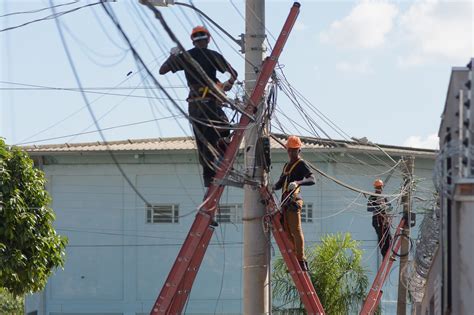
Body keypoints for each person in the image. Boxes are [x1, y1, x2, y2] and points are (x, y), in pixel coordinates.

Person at [159, 26, 238, 188]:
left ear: (192, 40)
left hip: (194, 105)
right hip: (210, 103)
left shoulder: (186, 57)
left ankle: (209, 177)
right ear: (208, 39)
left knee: (202, 141)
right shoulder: (213, 56)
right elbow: (234, 73)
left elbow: (162, 70)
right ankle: (223, 162)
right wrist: (227, 84)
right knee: (223, 130)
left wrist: (172, 56)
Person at [273, 135, 315, 271]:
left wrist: (298, 182)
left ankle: (301, 259)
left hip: (294, 200)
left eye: (294, 150)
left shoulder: (301, 164)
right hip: (285, 201)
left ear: (299, 150)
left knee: (296, 230)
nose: (291, 153)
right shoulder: (287, 166)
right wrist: (272, 187)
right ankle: (295, 258)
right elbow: (280, 183)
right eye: (289, 150)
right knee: (286, 231)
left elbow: (312, 179)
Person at [367, 179, 393, 259]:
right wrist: (379, 207)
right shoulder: (372, 197)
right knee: (382, 238)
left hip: (384, 220)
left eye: (381, 186)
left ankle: (389, 254)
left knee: (389, 237)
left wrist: (386, 208)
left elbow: (390, 207)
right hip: (377, 220)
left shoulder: (384, 197)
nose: (380, 188)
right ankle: (385, 255)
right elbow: (369, 209)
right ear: (376, 187)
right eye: (378, 187)